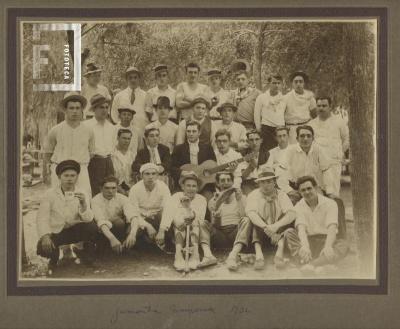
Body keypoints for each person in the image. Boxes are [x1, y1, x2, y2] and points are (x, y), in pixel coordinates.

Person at [36, 160, 98, 274]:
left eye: (73, 175)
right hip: (57, 231)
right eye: (66, 176)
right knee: (42, 247)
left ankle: (85, 253)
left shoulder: (82, 192)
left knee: (92, 227)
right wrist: (45, 236)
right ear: (59, 177)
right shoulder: (50, 194)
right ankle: (53, 259)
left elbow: (88, 219)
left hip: (75, 230)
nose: (69, 179)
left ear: (77, 177)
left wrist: (84, 204)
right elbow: (42, 217)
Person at [284, 176, 349, 271]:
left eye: (309, 188)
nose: (307, 192)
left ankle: (310, 264)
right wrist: (305, 246)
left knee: (343, 245)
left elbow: (332, 227)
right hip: (309, 241)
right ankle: (323, 264)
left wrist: (328, 246)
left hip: (326, 240)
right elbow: (301, 229)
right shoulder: (298, 206)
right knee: (289, 233)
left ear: (316, 188)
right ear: (299, 192)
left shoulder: (330, 203)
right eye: (303, 190)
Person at [43, 92, 94, 197]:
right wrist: (47, 172)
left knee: (83, 198)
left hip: (81, 170)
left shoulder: (89, 131)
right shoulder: (56, 130)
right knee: (58, 200)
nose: (74, 111)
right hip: (60, 170)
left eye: (77, 108)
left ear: (81, 110)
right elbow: (48, 153)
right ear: (65, 110)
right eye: (71, 108)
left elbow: (92, 152)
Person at [198, 171, 252, 270]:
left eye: (228, 180)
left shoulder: (242, 197)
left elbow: (243, 218)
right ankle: (208, 255)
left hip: (236, 234)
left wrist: (239, 200)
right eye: (222, 180)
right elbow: (215, 225)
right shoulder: (213, 201)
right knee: (203, 223)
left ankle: (233, 255)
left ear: (232, 182)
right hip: (221, 235)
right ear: (218, 184)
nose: (226, 182)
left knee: (247, 220)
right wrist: (217, 215)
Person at [245, 170, 296, 270]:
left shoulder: (281, 194)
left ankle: (279, 254)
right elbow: (251, 213)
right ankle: (259, 256)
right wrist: (265, 227)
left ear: (274, 182)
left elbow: (291, 213)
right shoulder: (253, 195)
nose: (266, 185)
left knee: (286, 217)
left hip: (278, 231)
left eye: (269, 182)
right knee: (254, 219)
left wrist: (275, 226)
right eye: (262, 182)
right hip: (262, 231)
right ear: (258, 183)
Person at [156, 171, 206, 271]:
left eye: (193, 186)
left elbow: (200, 218)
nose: (191, 188)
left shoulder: (201, 199)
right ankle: (178, 255)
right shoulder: (175, 197)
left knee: (196, 224)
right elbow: (168, 214)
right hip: (177, 229)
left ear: (197, 188)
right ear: (182, 186)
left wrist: (189, 212)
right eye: (188, 185)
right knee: (178, 224)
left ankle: (195, 254)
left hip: (194, 231)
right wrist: (161, 231)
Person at [309, 96, 349, 196]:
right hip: (317, 164)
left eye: (324, 105)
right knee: (318, 193)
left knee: (333, 193)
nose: (321, 108)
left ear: (330, 107)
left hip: (333, 162)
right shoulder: (311, 124)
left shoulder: (339, 121)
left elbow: (346, 139)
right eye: (318, 106)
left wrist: (341, 152)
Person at [91, 176, 139, 254]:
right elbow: (101, 222)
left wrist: (132, 234)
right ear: (101, 188)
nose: (110, 191)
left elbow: (133, 216)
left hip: (118, 227)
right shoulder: (95, 200)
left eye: (114, 188)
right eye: (107, 188)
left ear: (117, 188)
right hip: (102, 230)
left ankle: (124, 245)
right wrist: (112, 239)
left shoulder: (123, 198)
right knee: (117, 222)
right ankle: (104, 246)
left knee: (127, 223)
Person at [285, 125, 336, 198]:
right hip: (295, 187)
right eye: (302, 136)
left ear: (313, 138)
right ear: (297, 138)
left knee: (321, 202)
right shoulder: (290, 151)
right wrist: (289, 190)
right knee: (292, 203)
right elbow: (282, 173)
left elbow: (326, 171)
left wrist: (329, 191)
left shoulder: (319, 150)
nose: (305, 139)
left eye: (309, 136)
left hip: (314, 187)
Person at [128, 163, 171, 245]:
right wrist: (148, 226)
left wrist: (162, 230)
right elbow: (133, 212)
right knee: (131, 235)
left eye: (153, 174)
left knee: (166, 229)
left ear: (158, 176)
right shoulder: (135, 189)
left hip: (157, 217)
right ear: (141, 176)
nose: (150, 177)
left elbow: (168, 209)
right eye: (147, 174)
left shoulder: (163, 187)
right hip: (141, 218)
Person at [84, 94, 116, 196]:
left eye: (107, 107)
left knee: (109, 191)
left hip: (108, 162)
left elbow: (113, 147)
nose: (104, 110)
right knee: (95, 191)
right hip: (94, 162)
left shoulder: (111, 127)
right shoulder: (86, 126)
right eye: (101, 107)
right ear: (94, 109)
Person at [171, 121, 216, 187]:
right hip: (184, 184)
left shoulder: (207, 148)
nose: (191, 134)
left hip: (204, 184)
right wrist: (182, 172)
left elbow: (213, 165)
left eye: (194, 131)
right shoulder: (178, 149)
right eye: (188, 131)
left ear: (199, 133)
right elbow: (171, 167)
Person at [111, 66, 148, 139]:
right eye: (130, 78)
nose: (133, 80)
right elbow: (114, 114)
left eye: (135, 77)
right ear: (126, 80)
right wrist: (122, 127)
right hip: (123, 135)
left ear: (139, 79)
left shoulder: (146, 96)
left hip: (142, 133)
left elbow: (150, 116)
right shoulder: (119, 96)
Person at [283, 71, 317, 144]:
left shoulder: (310, 96)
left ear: (304, 83)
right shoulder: (286, 98)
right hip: (291, 129)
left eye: (301, 81)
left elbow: (314, 115)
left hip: (306, 127)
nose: (298, 84)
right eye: (296, 82)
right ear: (292, 84)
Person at [254, 74, 286, 151]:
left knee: (280, 150)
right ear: (269, 84)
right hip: (266, 128)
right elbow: (256, 113)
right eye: (274, 83)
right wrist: (258, 128)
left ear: (281, 84)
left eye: (279, 83)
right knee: (266, 151)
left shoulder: (284, 98)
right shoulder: (262, 97)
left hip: (280, 128)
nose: (276, 85)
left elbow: (285, 114)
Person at [263, 126, 294, 195]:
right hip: (281, 181)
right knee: (278, 169)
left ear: (288, 136)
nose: (282, 139)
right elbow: (268, 168)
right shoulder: (272, 152)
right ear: (276, 138)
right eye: (279, 136)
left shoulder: (294, 148)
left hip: (294, 178)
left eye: (284, 135)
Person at [241, 130, 269, 195]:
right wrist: (251, 167)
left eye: (257, 139)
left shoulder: (267, 154)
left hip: (263, 182)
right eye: (251, 140)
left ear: (261, 140)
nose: (254, 142)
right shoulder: (242, 154)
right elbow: (242, 177)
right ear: (247, 141)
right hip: (248, 184)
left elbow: (268, 173)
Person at [111, 129, 135, 196]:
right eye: (124, 138)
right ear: (118, 138)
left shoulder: (133, 155)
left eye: (128, 139)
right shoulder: (111, 154)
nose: (126, 141)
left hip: (131, 188)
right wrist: (120, 190)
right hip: (114, 188)